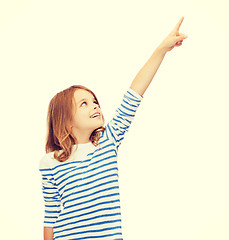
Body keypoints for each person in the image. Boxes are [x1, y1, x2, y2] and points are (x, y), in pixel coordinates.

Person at [39, 16, 188, 240]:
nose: (95, 106)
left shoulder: (108, 142)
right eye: (84, 104)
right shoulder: (50, 162)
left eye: (94, 101)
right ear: (66, 122)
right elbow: (50, 216)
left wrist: (161, 50)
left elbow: (134, 94)